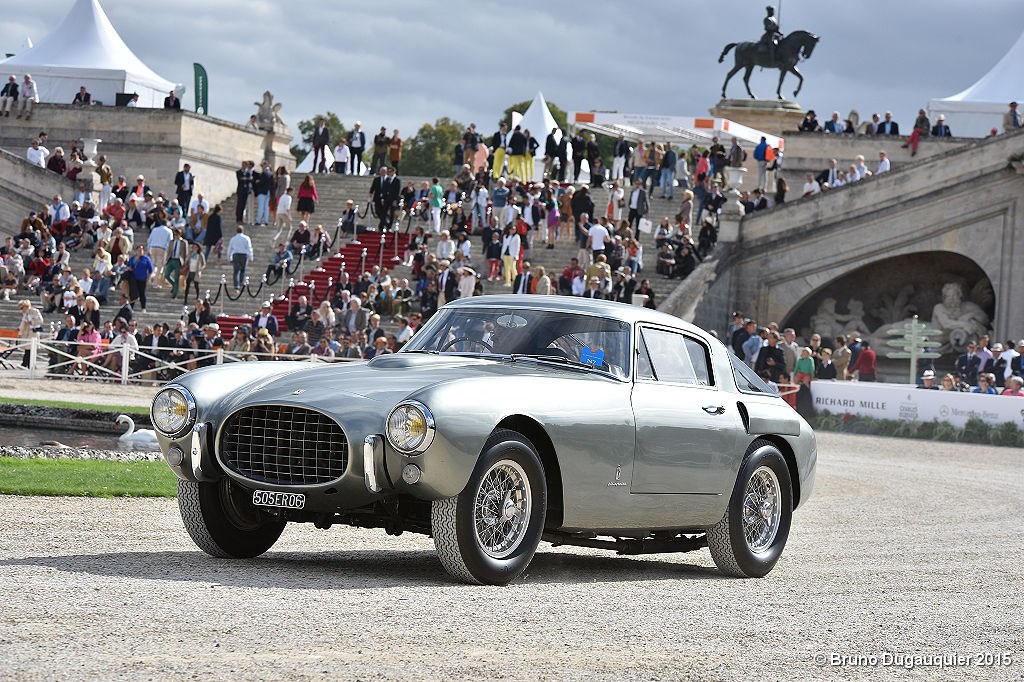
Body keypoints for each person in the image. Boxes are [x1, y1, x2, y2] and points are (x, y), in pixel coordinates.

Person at [127, 246, 153, 313]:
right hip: (133, 279)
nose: (140, 251)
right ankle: (131, 308)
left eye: (141, 250)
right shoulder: (133, 258)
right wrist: (129, 268)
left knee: (142, 293)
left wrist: (148, 279)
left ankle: (143, 308)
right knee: (133, 293)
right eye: (139, 250)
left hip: (142, 279)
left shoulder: (146, 259)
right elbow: (128, 265)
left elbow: (150, 270)